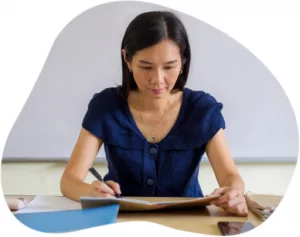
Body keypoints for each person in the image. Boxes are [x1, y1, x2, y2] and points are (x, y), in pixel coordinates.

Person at [60, 11, 248, 217]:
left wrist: (234, 192)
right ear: (127, 59)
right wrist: (89, 191)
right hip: (121, 220)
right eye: (146, 66)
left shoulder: (202, 109)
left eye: (169, 67)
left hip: (189, 221)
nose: (157, 79)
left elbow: (230, 176)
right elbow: (69, 181)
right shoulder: (106, 106)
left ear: (183, 61)